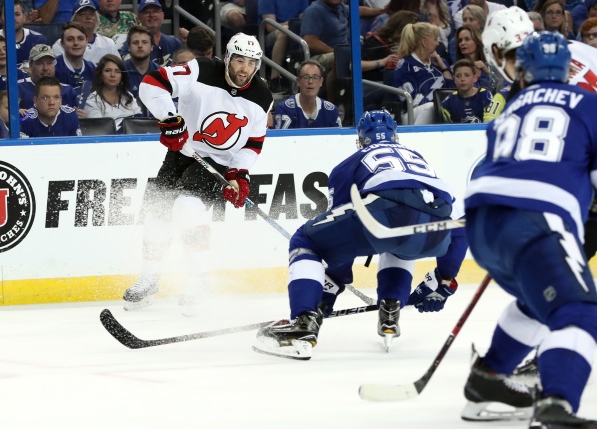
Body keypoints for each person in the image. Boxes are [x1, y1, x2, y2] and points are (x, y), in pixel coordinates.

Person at [461, 31, 597, 428]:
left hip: (483, 225)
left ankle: (487, 380)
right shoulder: (589, 104)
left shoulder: (510, 106)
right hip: (538, 218)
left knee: (539, 303)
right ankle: (556, 402)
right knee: (579, 310)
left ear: (522, 71)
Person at [253, 109, 460, 360]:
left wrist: (327, 291)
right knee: (403, 236)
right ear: (396, 138)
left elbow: (339, 236)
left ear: (361, 140)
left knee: (305, 241)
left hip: (384, 211)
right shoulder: (421, 162)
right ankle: (391, 307)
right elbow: (461, 226)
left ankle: (303, 324)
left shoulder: (348, 164)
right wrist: (444, 281)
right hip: (436, 219)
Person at [122, 33, 273, 314]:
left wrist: (239, 174)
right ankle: (150, 277)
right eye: (239, 60)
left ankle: (198, 280)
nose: (244, 68)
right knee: (156, 213)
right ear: (227, 58)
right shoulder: (200, 69)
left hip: (218, 162)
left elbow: (254, 143)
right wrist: (170, 120)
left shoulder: (263, 97)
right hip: (182, 152)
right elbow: (152, 84)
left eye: (251, 63)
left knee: (187, 207)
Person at [392, 22, 455, 124]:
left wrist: (444, 68)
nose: (437, 43)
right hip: (411, 115)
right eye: (435, 39)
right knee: (430, 107)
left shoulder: (439, 64)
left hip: (440, 112)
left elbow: (452, 91)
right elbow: (411, 101)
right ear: (424, 42)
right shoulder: (406, 65)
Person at [257, 0, 310, 94]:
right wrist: (291, 24)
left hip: (296, 32)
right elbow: (270, 26)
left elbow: (305, 19)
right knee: (283, 33)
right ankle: (274, 79)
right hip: (267, 36)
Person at [273, 59, 341, 129]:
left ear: (321, 82)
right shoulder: (285, 109)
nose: (310, 81)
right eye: (306, 77)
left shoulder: (331, 111)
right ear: (298, 81)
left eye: (315, 78)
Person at [84, 54, 141, 131]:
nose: (113, 75)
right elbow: (100, 130)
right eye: (108, 71)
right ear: (100, 75)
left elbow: (140, 121)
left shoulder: (128, 96)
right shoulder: (92, 101)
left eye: (117, 71)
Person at [52, 0, 120, 65]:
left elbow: (119, 68)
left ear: (97, 19)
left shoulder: (108, 43)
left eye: (92, 14)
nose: (88, 17)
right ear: (73, 19)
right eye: (82, 14)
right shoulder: (61, 44)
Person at [18, 44, 79, 111]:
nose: (45, 68)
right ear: (30, 65)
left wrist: (80, 117)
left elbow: (76, 117)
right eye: (40, 63)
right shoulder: (18, 89)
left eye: (49, 63)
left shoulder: (68, 91)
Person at [0, 0, 47, 66]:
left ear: (24, 17)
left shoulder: (38, 39)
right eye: (8, 14)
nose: (13, 18)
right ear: (0, 19)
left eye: (17, 14)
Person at [54, 21, 96, 102]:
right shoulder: (54, 67)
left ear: (86, 41)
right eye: (70, 39)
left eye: (80, 39)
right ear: (62, 43)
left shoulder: (92, 68)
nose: (76, 43)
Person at [440, 59, 492, 123]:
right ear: (454, 80)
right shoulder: (448, 102)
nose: (462, 79)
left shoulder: (485, 95)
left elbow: (490, 122)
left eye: (467, 75)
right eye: (458, 76)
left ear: (474, 78)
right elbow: (446, 129)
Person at [132, 0, 182, 67]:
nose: (151, 15)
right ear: (139, 18)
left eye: (155, 11)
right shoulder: (132, 45)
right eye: (147, 12)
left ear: (162, 15)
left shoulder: (175, 43)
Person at [123, 25, 159, 115]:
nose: (140, 46)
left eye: (144, 42)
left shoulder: (160, 73)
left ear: (151, 47)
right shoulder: (120, 71)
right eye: (135, 42)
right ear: (128, 47)